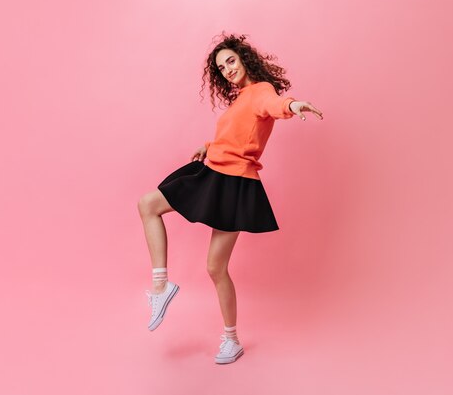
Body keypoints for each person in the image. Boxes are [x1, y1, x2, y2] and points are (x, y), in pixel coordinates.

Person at [137, 32, 323, 364]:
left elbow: (274, 105)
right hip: (216, 171)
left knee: (214, 267)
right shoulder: (240, 99)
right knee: (149, 205)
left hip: (233, 183)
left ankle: (230, 339)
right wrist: (208, 146)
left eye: (231, 61)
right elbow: (239, 134)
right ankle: (161, 285)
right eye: (222, 68)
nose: (227, 70)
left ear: (244, 58)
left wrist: (293, 105)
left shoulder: (261, 91)